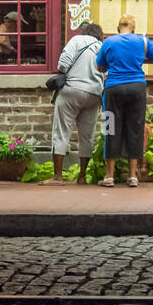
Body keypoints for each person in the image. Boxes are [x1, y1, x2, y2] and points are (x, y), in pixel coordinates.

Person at [95, 14, 153, 187]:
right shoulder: (142, 41)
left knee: (111, 127)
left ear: (118, 27)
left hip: (114, 88)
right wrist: (142, 60)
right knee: (135, 128)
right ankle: (133, 176)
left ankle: (110, 176)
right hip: (137, 88)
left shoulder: (109, 42)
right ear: (133, 28)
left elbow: (99, 66)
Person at [47, 22, 104, 185]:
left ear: (85, 32)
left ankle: (58, 176)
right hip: (94, 93)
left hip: (72, 90)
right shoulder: (101, 46)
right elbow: (105, 68)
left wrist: (64, 72)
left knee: (62, 131)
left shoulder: (77, 40)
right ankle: (82, 176)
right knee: (87, 136)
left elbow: (63, 64)